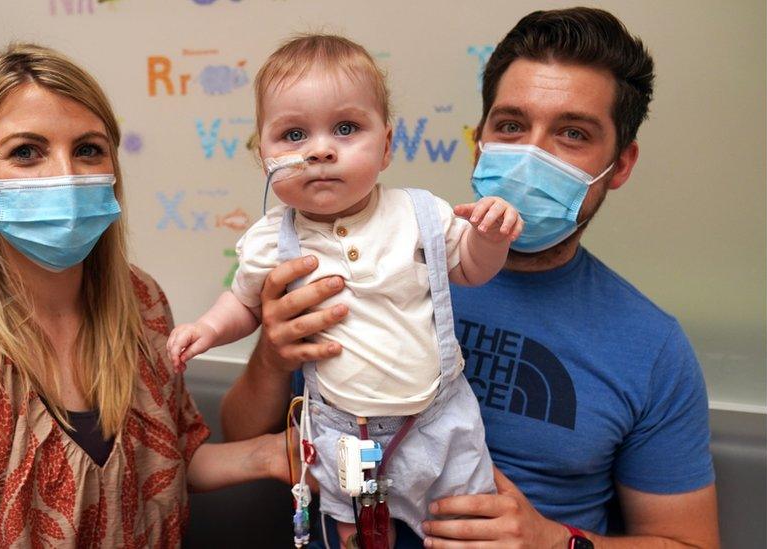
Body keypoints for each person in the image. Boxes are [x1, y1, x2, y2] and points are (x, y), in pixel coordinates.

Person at [221, 8, 719, 549]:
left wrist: (554, 542)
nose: (530, 155)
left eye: (572, 133)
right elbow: (246, 442)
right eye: (510, 126)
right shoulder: (355, 256)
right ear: (479, 138)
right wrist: (273, 354)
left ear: (619, 165)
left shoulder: (651, 346)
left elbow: (687, 543)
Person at [0, 43, 287, 548]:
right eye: (26, 152)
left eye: (87, 150)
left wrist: (274, 453)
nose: (66, 174)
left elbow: (170, 457)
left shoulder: (140, 299)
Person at [168, 34, 522, 547]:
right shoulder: (272, 237)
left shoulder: (420, 214)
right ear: (262, 157)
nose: (319, 149)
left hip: (437, 417)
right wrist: (206, 328)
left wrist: (490, 238)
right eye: (292, 135)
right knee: (346, 507)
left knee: (461, 508)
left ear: (386, 146)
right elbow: (243, 303)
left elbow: (470, 267)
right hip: (341, 423)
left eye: (346, 128)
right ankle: (351, 527)